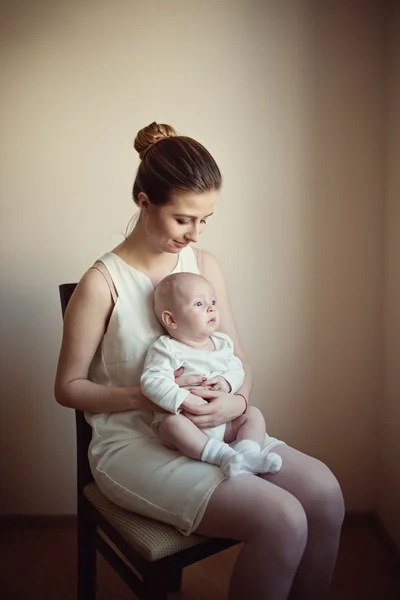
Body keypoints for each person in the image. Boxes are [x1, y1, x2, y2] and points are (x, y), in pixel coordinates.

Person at [55, 121, 344, 600]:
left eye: (205, 219)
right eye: (183, 218)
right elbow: (67, 388)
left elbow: (239, 359)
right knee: (284, 519)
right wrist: (156, 396)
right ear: (145, 202)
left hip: (217, 428)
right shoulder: (101, 282)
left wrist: (235, 401)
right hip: (134, 446)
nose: (195, 233)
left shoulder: (204, 265)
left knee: (326, 495)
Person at [142, 271, 283, 477]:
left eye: (213, 301)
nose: (211, 307)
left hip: (224, 422)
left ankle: (248, 454)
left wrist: (226, 383)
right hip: (188, 422)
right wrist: (185, 399)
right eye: (199, 304)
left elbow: (237, 368)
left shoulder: (223, 343)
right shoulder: (166, 349)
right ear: (171, 319)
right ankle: (223, 456)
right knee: (172, 424)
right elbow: (152, 381)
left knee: (253, 414)